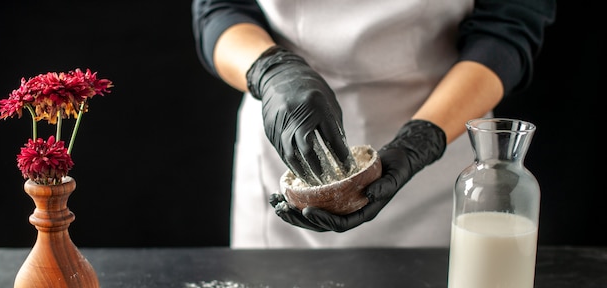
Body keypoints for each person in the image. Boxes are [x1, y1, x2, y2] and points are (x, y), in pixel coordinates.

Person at [192, 0, 556, 248]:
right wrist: (269, 71)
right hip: (287, 135)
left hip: (445, 136)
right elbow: (219, 8)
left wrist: (422, 140)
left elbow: (510, 24)